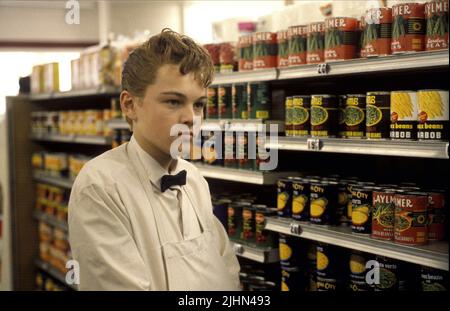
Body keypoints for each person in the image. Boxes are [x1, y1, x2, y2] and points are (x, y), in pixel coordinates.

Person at [68, 29, 241, 291]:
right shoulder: (100, 187)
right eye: (173, 101)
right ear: (129, 105)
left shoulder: (193, 179)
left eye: (199, 105)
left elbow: (226, 272)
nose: (190, 118)